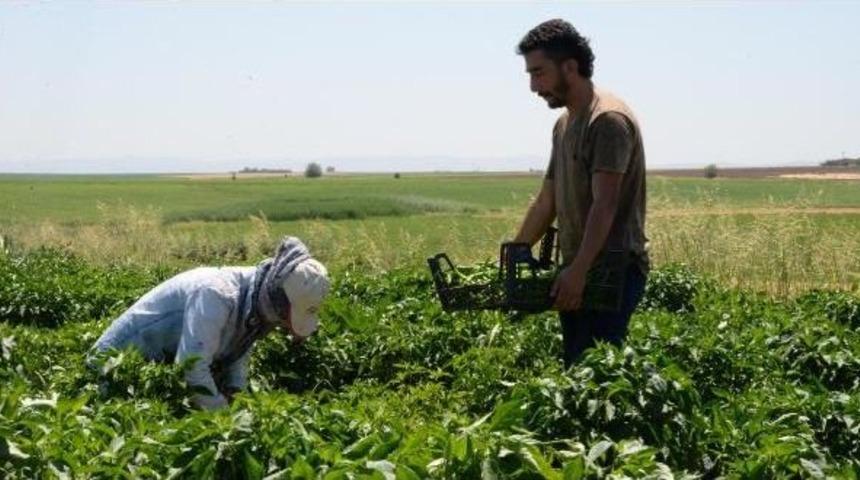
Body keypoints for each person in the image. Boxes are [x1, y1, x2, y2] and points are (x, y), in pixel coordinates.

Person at [513, 19, 649, 367]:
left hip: (611, 272)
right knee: (576, 369)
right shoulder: (564, 124)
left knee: (596, 376)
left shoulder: (607, 121)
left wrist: (579, 272)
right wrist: (516, 250)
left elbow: (606, 204)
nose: (533, 86)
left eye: (539, 73)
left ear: (570, 67)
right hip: (577, 268)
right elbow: (547, 200)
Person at [89, 237, 330, 409]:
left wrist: (237, 391)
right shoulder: (216, 294)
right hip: (113, 368)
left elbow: (240, 347)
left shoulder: (257, 301)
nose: (288, 327)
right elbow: (190, 367)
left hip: (160, 369)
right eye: (289, 318)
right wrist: (223, 414)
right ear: (279, 300)